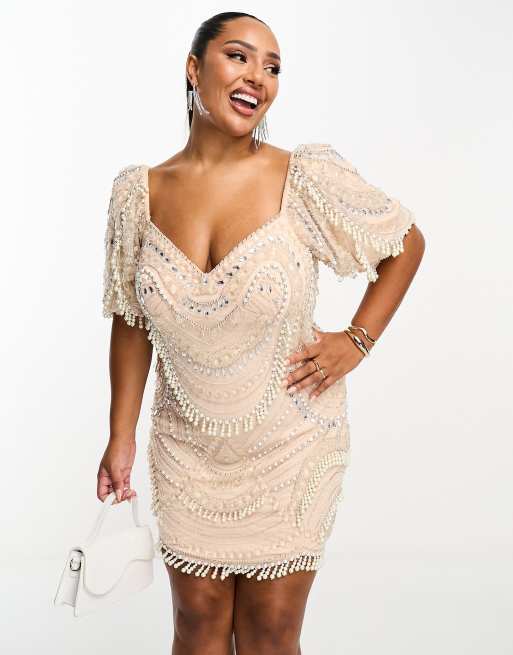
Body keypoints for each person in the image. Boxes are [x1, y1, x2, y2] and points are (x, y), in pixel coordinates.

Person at [98, 10, 425, 655]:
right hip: (187, 449)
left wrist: (356, 341)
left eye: (272, 67)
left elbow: (405, 243)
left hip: (291, 442)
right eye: (239, 56)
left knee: (272, 632)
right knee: (195, 626)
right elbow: (130, 322)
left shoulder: (304, 177)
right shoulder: (138, 193)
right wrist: (120, 436)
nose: (258, 77)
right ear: (193, 69)